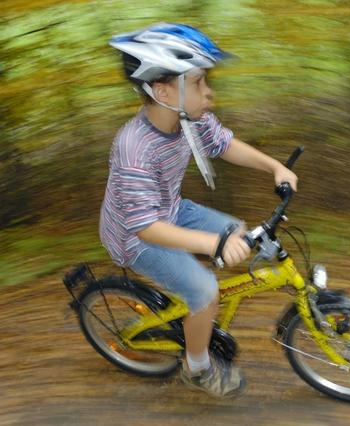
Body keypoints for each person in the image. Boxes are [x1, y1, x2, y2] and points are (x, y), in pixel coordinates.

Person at [99, 23, 298, 398]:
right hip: (135, 235)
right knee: (206, 290)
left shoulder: (191, 120)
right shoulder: (133, 149)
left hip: (170, 211)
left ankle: (190, 301)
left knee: (237, 231)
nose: (209, 93)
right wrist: (213, 244)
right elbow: (146, 228)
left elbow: (225, 146)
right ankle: (198, 367)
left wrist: (274, 166)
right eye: (198, 82)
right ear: (163, 90)